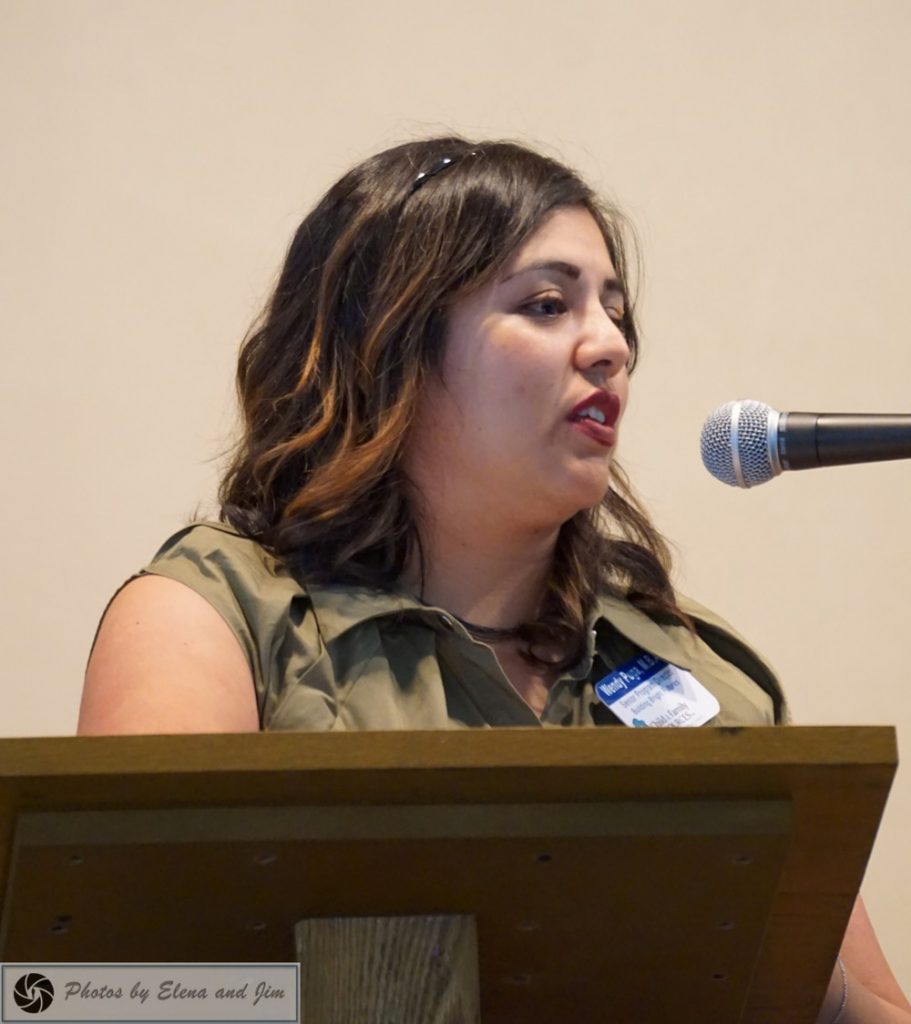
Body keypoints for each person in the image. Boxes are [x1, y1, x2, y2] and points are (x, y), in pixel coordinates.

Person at [79, 137, 909, 1022]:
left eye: (615, 312)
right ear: (389, 345)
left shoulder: (704, 675)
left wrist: (790, 970)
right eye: (547, 304)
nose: (609, 346)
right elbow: (108, 998)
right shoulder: (215, 618)